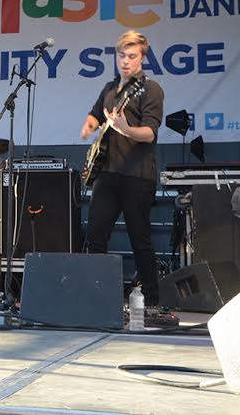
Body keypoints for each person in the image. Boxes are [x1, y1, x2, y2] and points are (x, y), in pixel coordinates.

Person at [80, 30, 163, 306]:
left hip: (137, 175)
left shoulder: (150, 89)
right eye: (122, 56)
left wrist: (126, 128)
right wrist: (89, 127)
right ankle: (97, 297)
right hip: (107, 172)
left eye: (132, 56)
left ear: (142, 58)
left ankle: (151, 300)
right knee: (95, 236)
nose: (126, 61)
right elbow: (95, 115)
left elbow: (149, 133)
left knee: (139, 239)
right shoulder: (109, 88)